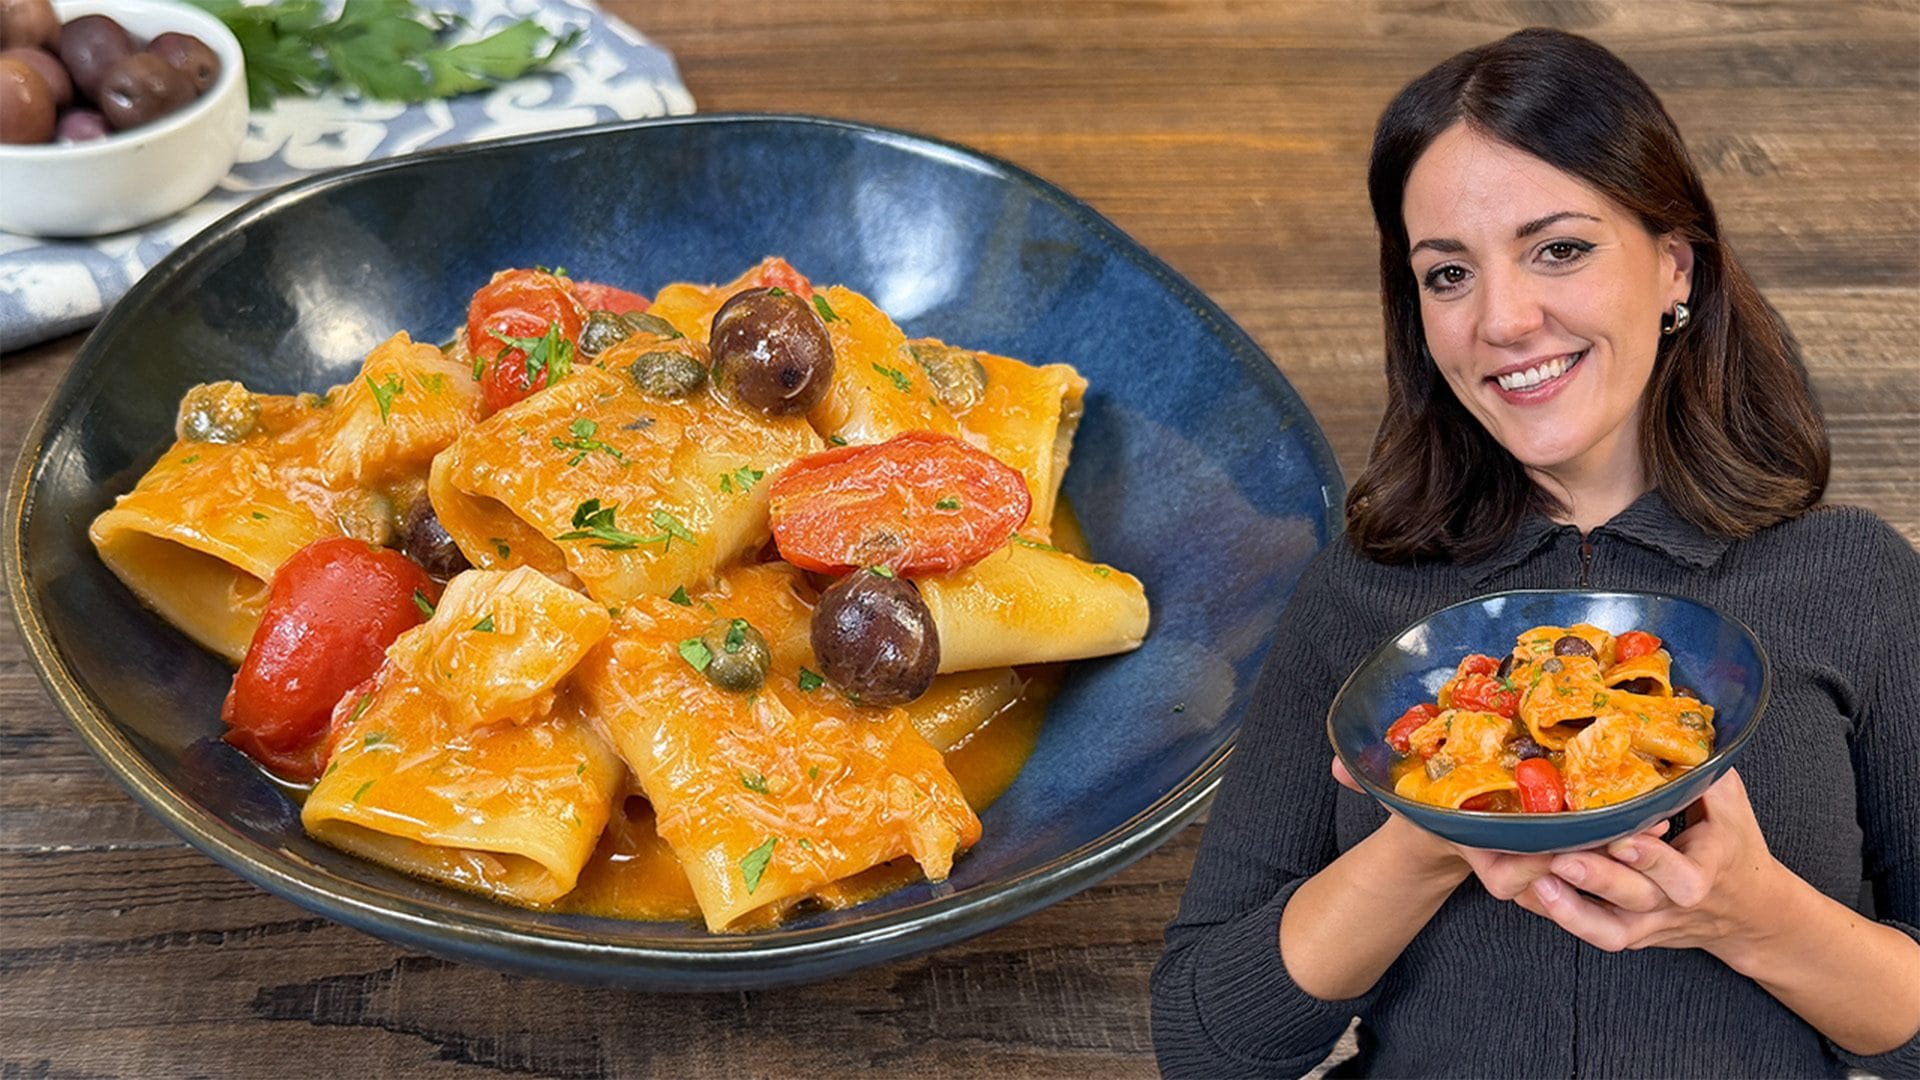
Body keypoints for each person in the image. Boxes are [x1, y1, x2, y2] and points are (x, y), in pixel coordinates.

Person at [1150, 26, 1920, 1079]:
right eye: (1448, 273)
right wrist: (1426, 839)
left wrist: (1754, 918)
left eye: (1559, 248)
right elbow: (1206, 1047)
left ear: (1674, 266)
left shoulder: (1855, 579)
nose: (1504, 320)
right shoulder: (1361, 592)